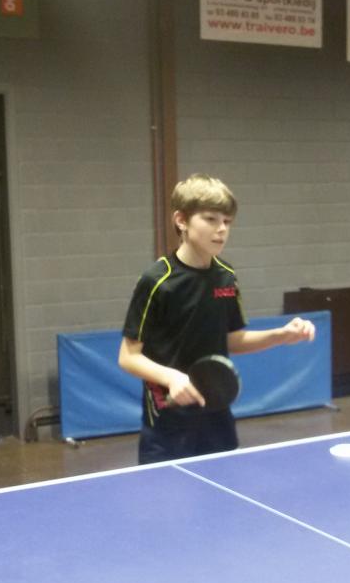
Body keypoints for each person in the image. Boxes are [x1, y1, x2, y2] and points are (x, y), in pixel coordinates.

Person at [119, 173, 315, 464]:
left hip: (217, 414)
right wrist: (172, 378)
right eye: (210, 219)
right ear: (181, 221)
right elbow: (128, 357)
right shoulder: (157, 281)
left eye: (227, 221)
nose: (221, 229)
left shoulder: (226, 276)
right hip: (168, 420)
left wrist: (281, 335)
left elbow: (232, 340)